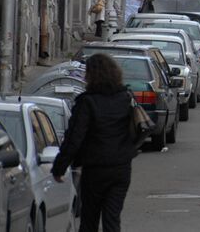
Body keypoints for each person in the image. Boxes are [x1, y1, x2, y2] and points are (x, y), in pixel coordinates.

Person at [52, 54, 137, 232]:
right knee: (112, 219)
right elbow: (135, 130)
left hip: (95, 169)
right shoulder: (125, 98)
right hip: (121, 169)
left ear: (92, 75)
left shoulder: (87, 102)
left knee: (89, 219)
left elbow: (74, 138)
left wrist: (60, 167)